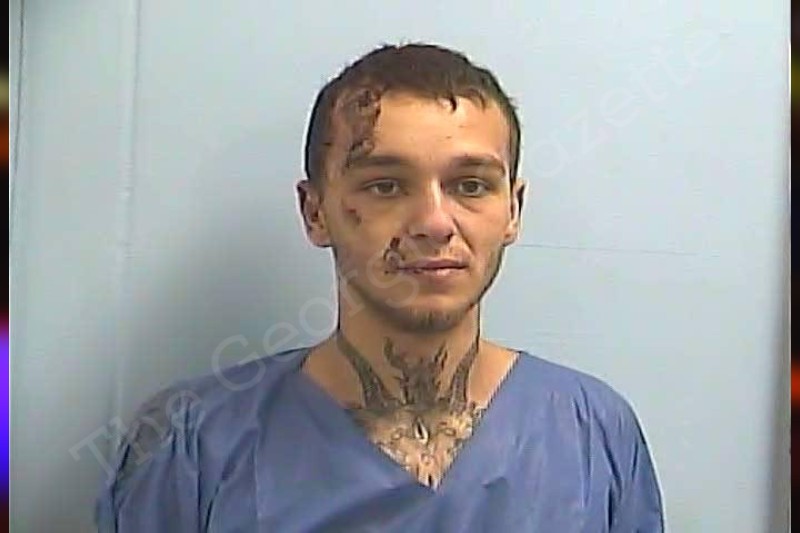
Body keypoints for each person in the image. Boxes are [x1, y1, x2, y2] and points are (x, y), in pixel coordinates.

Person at [95, 42, 664, 532]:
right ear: (315, 212)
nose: (434, 223)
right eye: (386, 186)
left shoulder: (593, 434)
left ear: (512, 210)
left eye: (470, 185)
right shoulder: (192, 444)